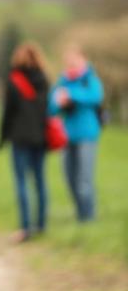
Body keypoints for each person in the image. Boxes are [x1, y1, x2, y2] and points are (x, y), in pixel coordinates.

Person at [0, 42, 49, 243]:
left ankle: (26, 228)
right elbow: (48, 110)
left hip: (20, 138)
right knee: (40, 181)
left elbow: (7, 112)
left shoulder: (13, 79)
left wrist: (2, 138)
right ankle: (41, 225)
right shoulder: (44, 79)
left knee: (21, 182)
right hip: (40, 137)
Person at [48, 44, 104, 221]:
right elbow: (51, 108)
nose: (71, 63)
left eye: (75, 59)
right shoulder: (62, 82)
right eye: (68, 60)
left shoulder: (90, 79)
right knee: (70, 178)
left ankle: (88, 216)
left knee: (84, 179)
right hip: (67, 135)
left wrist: (71, 95)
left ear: (83, 59)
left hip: (87, 135)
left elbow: (96, 96)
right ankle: (80, 212)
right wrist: (59, 102)